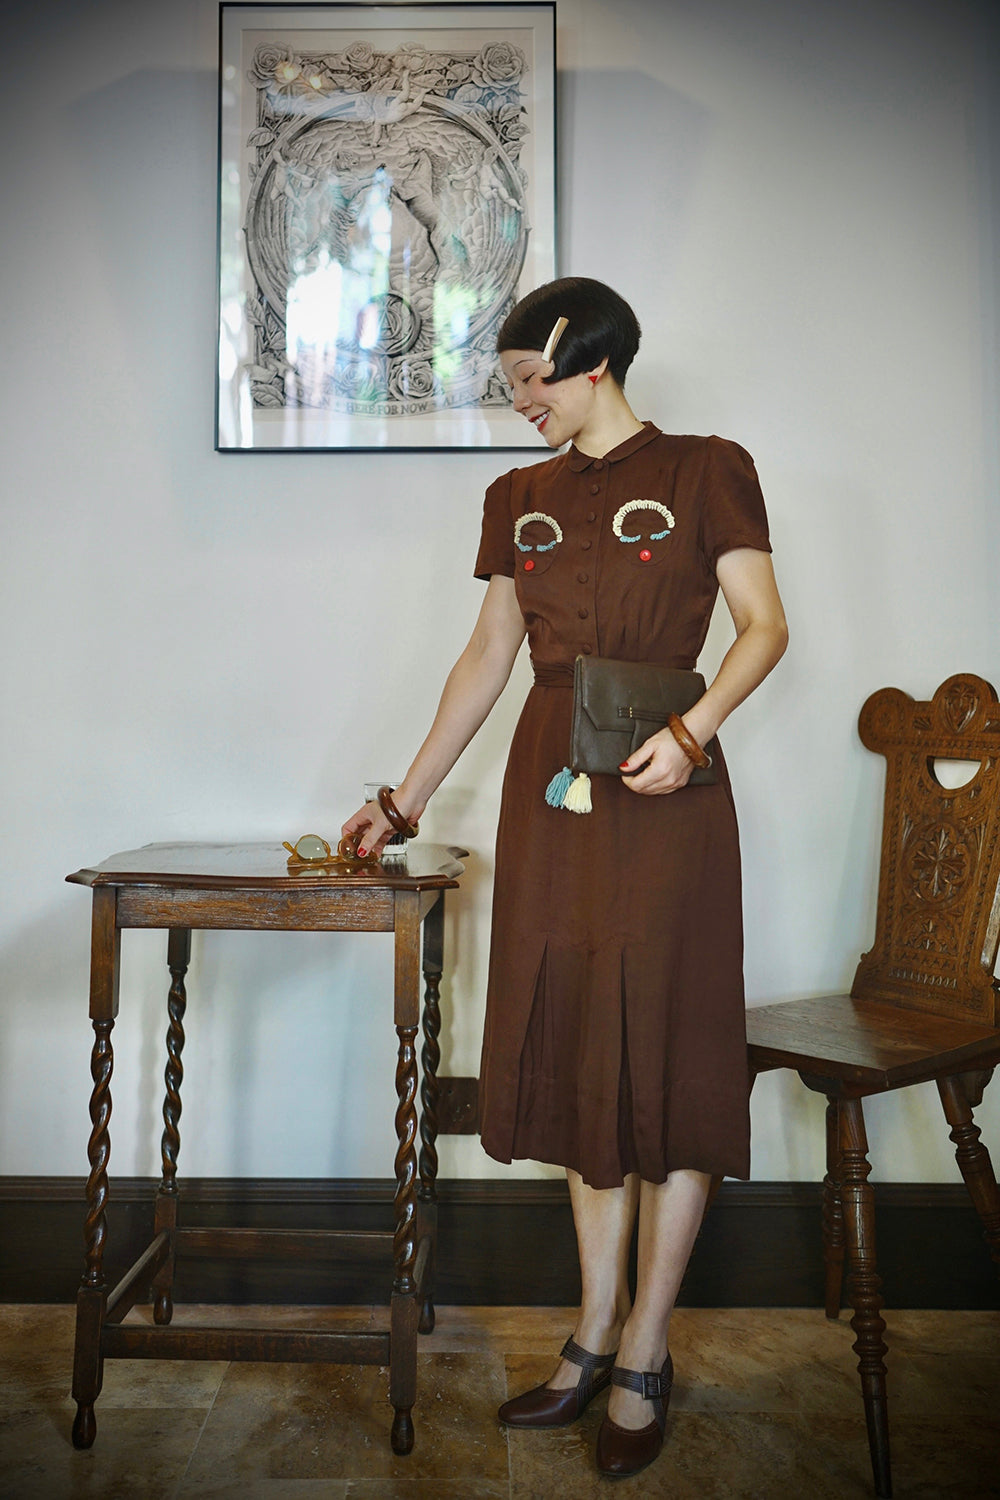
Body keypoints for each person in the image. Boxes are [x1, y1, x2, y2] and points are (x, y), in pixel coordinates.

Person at [342, 277, 788, 1478]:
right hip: (556, 791)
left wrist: (691, 733)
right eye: (509, 389)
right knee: (590, 1042)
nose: (520, 406)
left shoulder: (708, 468)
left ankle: (647, 1344)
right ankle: (591, 1330)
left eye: (531, 383)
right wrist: (402, 798)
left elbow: (761, 626)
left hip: (665, 785)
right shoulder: (516, 497)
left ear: (587, 359)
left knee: (674, 1044)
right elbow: (489, 656)